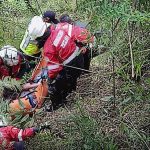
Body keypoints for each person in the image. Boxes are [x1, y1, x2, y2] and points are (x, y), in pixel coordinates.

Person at [43, 21, 94, 110]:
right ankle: (72, 88)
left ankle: (57, 104)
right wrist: (82, 45)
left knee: (57, 85)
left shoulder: (48, 48)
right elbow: (76, 34)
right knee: (72, 77)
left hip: (71, 65)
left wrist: (51, 78)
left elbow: (54, 68)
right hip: (79, 57)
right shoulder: (61, 29)